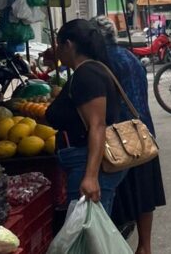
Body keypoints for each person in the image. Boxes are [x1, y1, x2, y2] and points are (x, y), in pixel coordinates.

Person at [91, 17, 165, 254]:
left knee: (122, 196)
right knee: (144, 194)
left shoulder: (103, 62)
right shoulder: (129, 56)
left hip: (121, 138)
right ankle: (145, 246)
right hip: (143, 133)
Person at [45, 19, 126, 215]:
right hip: (87, 161)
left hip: (88, 162)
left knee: (87, 236)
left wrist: (90, 176)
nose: (57, 50)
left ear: (69, 45)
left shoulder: (87, 74)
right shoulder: (92, 70)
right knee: (91, 235)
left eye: (58, 44)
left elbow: (97, 125)